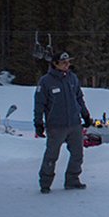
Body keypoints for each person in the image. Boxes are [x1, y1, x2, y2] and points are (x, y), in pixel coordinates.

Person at [34, 51, 93, 194]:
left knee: (77, 154)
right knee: (51, 156)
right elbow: (39, 104)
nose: (67, 65)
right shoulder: (46, 81)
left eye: (68, 62)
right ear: (55, 64)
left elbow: (79, 98)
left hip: (74, 124)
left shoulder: (72, 78)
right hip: (56, 126)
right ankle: (45, 183)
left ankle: (72, 180)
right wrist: (38, 123)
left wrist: (85, 114)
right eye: (64, 62)